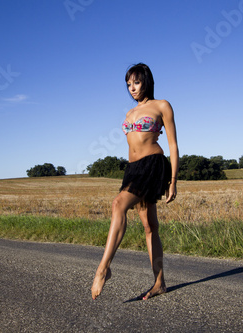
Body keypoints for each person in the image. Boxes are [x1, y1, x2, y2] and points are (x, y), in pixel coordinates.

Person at [91, 63, 179, 300]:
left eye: (136, 82)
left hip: (152, 164)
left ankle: (103, 269)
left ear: (147, 81)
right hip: (132, 169)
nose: (132, 88)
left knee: (118, 204)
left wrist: (173, 180)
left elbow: (172, 144)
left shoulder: (162, 106)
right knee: (150, 226)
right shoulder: (129, 113)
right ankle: (159, 282)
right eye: (128, 84)